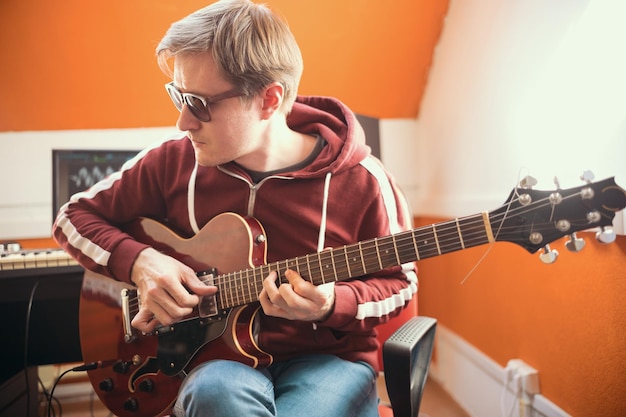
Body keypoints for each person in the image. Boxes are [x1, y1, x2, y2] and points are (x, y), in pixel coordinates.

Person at [53, 1, 418, 416]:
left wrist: (333, 303)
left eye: (200, 103)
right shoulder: (171, 161)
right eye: (178, 96)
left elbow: (400, 284)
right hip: (216, 361)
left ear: (269, 99)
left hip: (329, 362)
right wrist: (142, 263)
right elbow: (72, 216)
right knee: (213, 396)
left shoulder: (365, 181)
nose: (183, 122)